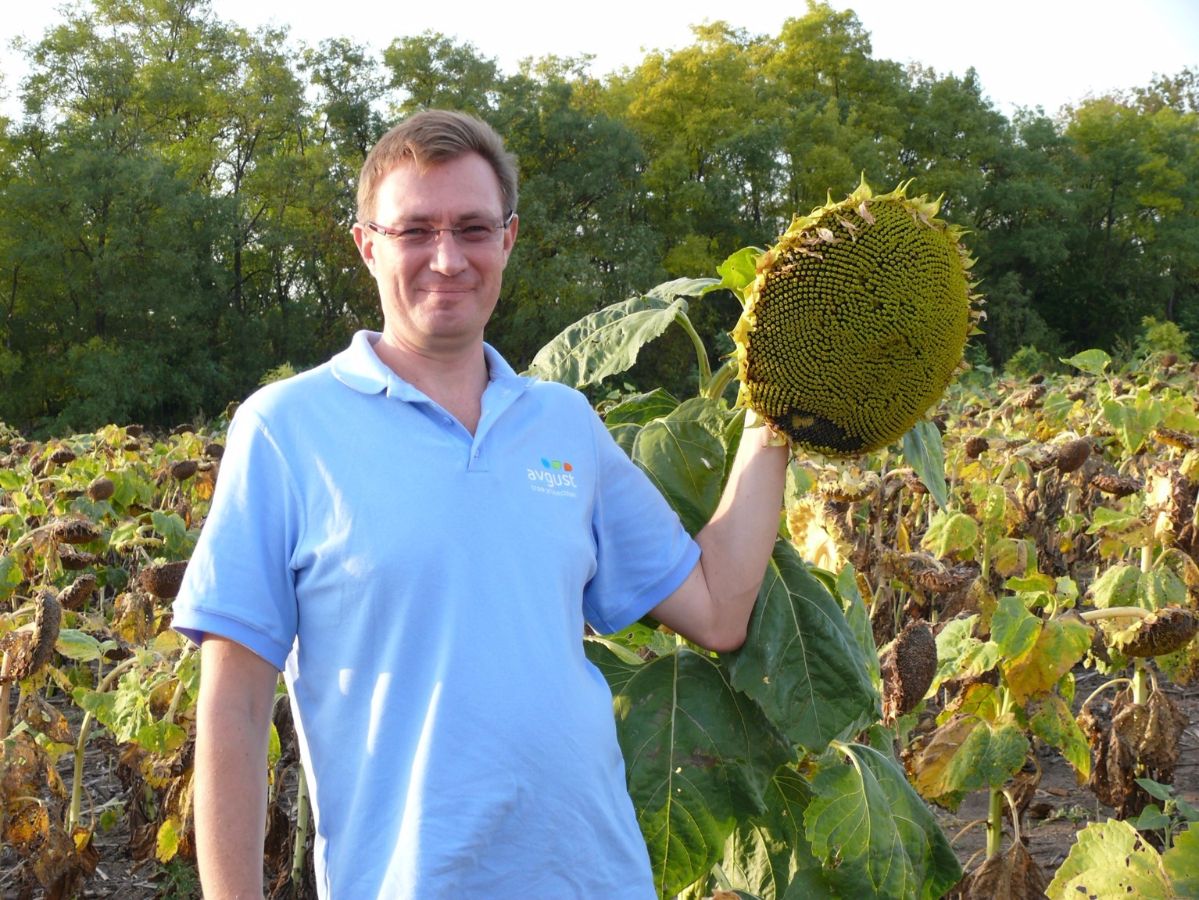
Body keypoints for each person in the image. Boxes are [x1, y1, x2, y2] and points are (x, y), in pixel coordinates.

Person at [173, 109, 789, 899]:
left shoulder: (564, 422)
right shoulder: (288, 428)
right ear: (366, 245)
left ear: (508, 239)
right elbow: (234, 699)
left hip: (594, 877)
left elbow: (715, 609)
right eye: (414, 231)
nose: (446, 258)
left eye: (471, 228)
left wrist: (778, 406)